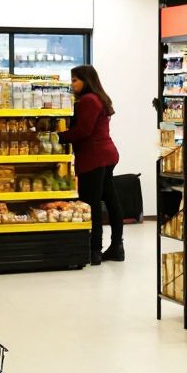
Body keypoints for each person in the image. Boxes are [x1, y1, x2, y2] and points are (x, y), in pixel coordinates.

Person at [58, 65, 124, 265]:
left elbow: (83, 131)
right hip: (108, 154)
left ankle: (94, 250)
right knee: (111, 199)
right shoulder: (100, 98)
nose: (72, 84)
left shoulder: (88, 100)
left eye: (75, 80)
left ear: (86, 81)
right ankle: (117, 246)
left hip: (93, 157)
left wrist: (57, 137)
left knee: (91, 203)